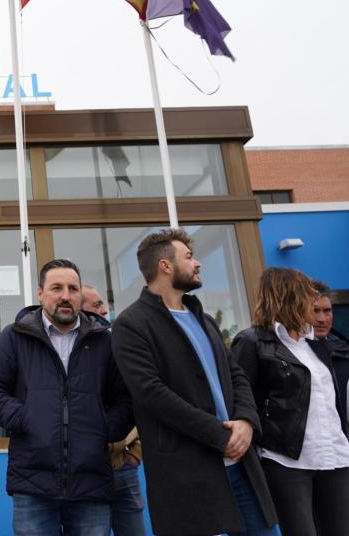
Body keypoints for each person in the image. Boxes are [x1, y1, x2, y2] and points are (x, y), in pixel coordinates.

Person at [112, 229, 277, 536]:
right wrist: (220, 435)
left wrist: (246, 422)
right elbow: (151, 394)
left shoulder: (205, 318)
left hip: (242, 466)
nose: (198, 263)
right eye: (188, 257)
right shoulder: (131, 325)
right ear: (165, 266)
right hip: (188, 473)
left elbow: (236, 374)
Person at [0, 259, 133, 536]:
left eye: (73, 289)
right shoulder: (15, 336)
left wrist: (105, 429)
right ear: (40, 294)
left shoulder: (104, 341)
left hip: (91, 480)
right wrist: (24, 418)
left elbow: (126, 398)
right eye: (56, 287)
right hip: (32, 480)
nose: (65, 296)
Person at [232, 268, 349, 536]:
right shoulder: (253, 342)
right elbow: (241, 399)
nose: (314, 304)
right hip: (286, 462)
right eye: (307, 296)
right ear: (288, 298)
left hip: (335, 458)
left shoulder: (318, 344)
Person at [81, 285, 145, 536]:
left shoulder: (119, 345)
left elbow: (140, 397)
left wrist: (137, 452)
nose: (105, 310)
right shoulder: (70, 352)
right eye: (96, 305)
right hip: (87, 471)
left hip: (124, 466)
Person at [312, 280, 349, 416]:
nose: (322, 319)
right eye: (315, 311)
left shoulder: (344, 351)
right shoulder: (289, 354)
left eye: (327, 311)